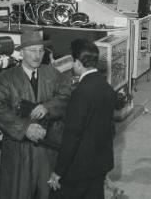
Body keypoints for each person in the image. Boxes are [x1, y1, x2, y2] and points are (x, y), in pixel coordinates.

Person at [0, 30, 71, 199]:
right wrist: (25, 128)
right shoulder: (6, 78)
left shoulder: (52, 74)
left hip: (47, 148)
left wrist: (48, 106)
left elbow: (66, 97)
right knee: (18, 192)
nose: (37, 55)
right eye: (32, 50)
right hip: (19, 149)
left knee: (48, 193)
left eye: (40, 51)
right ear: (21, 53)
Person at [48, 40, 116, 199]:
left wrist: (58, 171)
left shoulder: (81, 93)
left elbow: (72, 136)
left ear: (77, 63)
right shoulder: (106, 86)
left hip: (79, 169)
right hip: (100, 164)